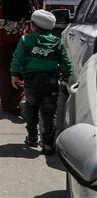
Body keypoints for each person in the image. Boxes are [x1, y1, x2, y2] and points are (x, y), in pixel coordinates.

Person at [10, 9, 72, 154]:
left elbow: (17, 58)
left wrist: (14, 74)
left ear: (33, 25)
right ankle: (48, 144)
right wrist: (66, 75)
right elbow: (66, 62)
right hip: (50, 83)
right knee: (49, 113)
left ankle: (32, 138)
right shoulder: (57, 42)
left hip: (31, 82)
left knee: (31, 109)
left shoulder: (26, 40)